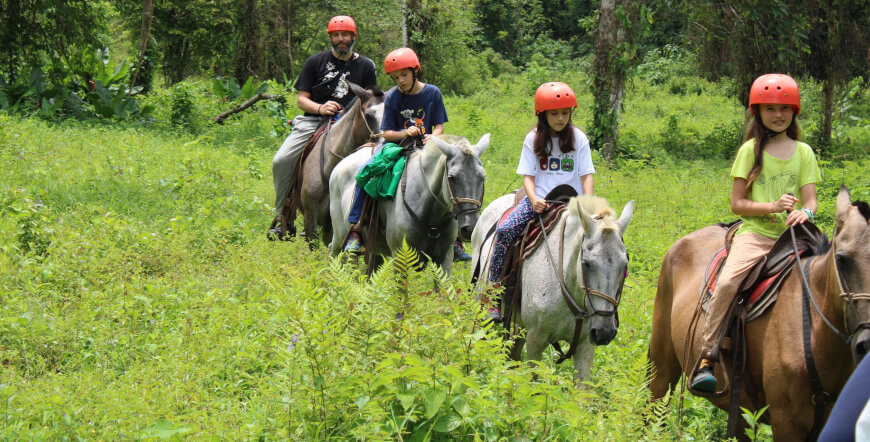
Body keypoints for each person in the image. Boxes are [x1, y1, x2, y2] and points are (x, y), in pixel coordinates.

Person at [691, 73, 821, 392]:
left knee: (836, 273)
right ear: (758, 113)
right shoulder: (750, 150)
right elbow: (737, 204)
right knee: (729, 281)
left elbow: (812, 199)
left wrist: (806, 213)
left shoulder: (803, 151)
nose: (778, 115)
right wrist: (774, 206)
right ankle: (708, 356)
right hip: (755, 235)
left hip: (794, 237)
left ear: (795, 111)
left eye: (785, 108)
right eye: (771, 109)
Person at [343, 47, 469, 260]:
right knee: (367, 171)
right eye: (395, 77)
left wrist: (433, 137)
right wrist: (405, 132)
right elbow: (387, 133)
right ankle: (356, 228)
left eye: (404, 75)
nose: (400, 80)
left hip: (428, 147)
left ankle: (454, 238)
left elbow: (439, 126)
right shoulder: (393, 97)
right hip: (398, 146)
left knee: (449, 177)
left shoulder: (433, 93)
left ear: (415, 71)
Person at [485, 82, 595, 321]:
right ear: (542, 114)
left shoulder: (579, 139)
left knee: (606, 238)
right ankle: (493, 294)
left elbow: (587, 175)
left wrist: (588, 202)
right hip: (541, 201)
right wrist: (533, 199)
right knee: (505, 230)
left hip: (572, 204)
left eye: (565, 113)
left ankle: (603, 301)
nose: (560, 118)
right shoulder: (533, 138)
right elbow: (528, 176)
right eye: (555, 113)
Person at [268, 15, 377, 240]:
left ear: (353, 36)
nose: (341, 39)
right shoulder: (315, 62)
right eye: (336, 35)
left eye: (345, 34)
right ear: (330, 37)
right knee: (281, 160)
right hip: (314, 121)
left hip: (353, 125)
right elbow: (302, 100)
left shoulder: (366, 66)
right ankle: (283, 216)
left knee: (380, 160)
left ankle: (372, 222)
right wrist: (320, 108)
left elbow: (372, 101)